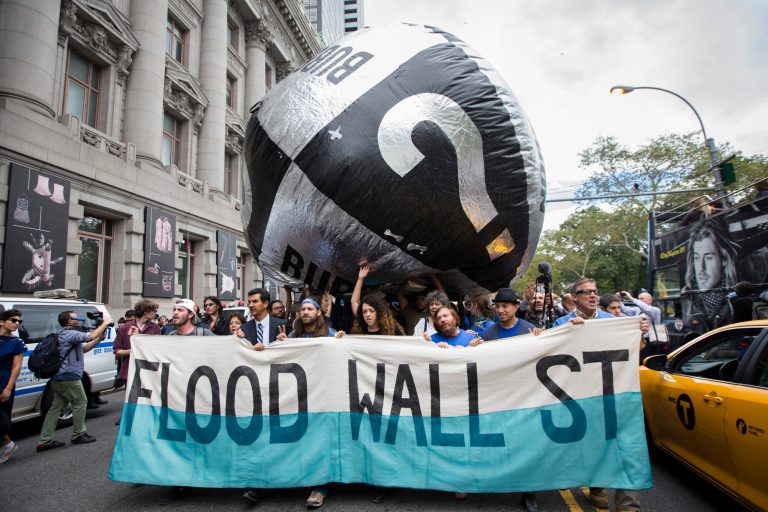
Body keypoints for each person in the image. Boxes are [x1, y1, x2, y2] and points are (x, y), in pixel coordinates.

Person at [553, 278, 645, 512]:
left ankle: (628, 505)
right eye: (586, 292)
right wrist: (569, 334)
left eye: (595, 292)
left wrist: (639, 334)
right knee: (595, 444)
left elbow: (635, 349)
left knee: (627, 445)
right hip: (582, 397)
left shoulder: (613, 322)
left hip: (616, 393)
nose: (593, 296)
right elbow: (551, 355)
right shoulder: (561, 323)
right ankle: (597, 487)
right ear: (574, 297)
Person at [476, 291, 538, 512]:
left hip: (525, 397)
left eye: (505, 306)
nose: (501, 311)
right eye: (498, 306)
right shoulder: (489, 332)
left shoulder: (530, 330)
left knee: (525, 444)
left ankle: (528, 492)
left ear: (516, 306)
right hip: (498, 398)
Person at [36, 309, 112, 451]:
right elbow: (91, 335)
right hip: (69, 375)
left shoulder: (63, 335)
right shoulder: (70, 333)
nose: (80, 319)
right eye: (76, 317)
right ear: (69, 321)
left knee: (55, 408)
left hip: (59, 376)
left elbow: (84, 348)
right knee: (81, 402)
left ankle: (45, 440)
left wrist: (100, 339)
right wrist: (105, 323)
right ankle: (78, 435)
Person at [681, 217, 739, 331]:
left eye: (708, 258)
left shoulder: (735, 297)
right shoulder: (688, 297)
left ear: (723, 259)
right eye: (697, 258)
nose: (701, 268)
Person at [113, 300, 161, 425]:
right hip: (129, 368)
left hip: (149, 368)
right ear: (145, 311)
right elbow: (117, 351)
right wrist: (133, 350)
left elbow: (158, 348)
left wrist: (141, 339)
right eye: (154, 311)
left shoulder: (155, 328)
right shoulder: (124, 328)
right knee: (130, 394)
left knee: (148, 395)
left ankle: (147, 418)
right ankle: (128, 416)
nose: (156, 314)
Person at [0, 309, 26, 463]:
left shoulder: (16, 342)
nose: (17, 323)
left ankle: (8, 444)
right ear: (2, 321)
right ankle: (8, 444)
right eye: (13, 320)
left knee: (2, 416)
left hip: (4, 379)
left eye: (19, 321)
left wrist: (8, 388)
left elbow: (16, 367)